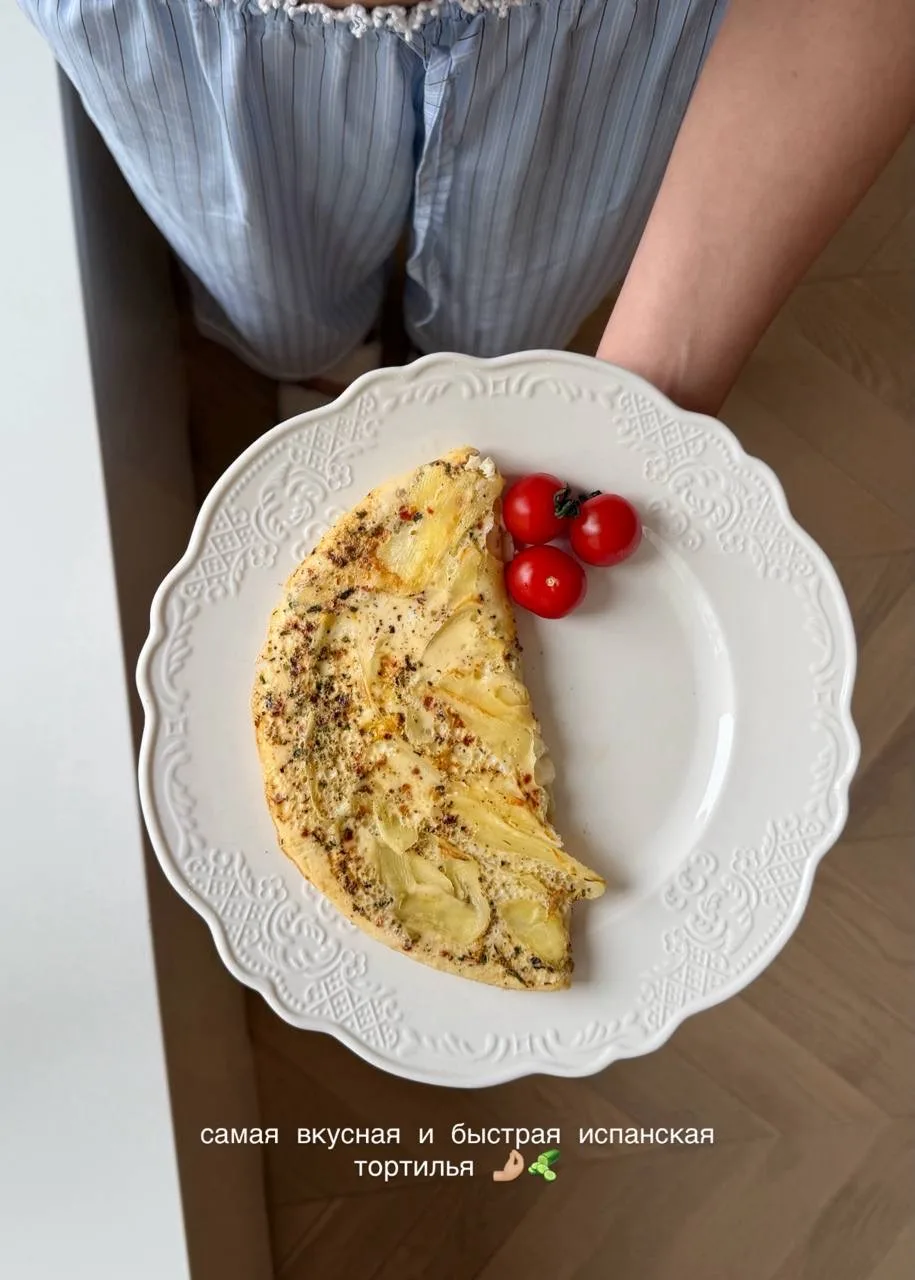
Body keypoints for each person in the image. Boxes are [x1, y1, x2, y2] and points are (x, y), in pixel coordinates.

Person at [20, 0, 915, 414]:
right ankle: (321, 370)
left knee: (519, 297)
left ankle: (468, 378)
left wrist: (641, 405)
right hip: (191, 26)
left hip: (605, 29)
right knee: (271, 277)